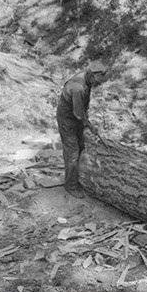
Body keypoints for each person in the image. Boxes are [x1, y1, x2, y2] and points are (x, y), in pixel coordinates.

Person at [56, 59, 109, 197]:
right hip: (67, 120)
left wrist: (86, 122)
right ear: (92, 75)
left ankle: (78, 177)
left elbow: (82, 109)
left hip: (76, 117)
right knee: (72, 152)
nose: (98, 85)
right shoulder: (78, 87)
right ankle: (70, 186)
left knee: (81, 146)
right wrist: (89, 125)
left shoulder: (87, 79)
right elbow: (78, 113)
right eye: (97, 82)